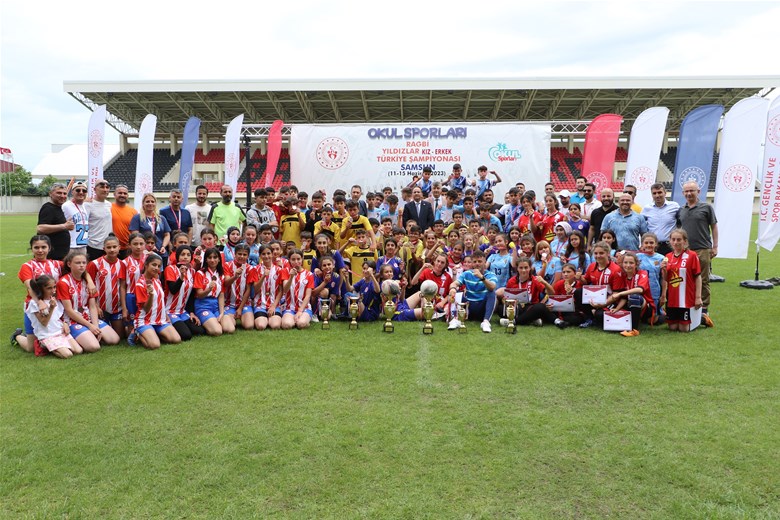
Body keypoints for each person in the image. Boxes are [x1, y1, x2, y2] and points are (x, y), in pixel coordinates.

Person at [57, 251, 120, 351]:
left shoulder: (88, 282)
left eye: (84, 262)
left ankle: (86, 335)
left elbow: (92, 306)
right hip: (72, 320)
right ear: (69, 264)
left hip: (88, 317)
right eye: (78, 263)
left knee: (114, 340)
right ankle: (73, 337)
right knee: (94, 347)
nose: (81, 265)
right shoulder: (63, 282)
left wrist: (95, 326)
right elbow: (69, 310)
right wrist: (90, 326)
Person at [678, 181, 717, 326]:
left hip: (702, 249)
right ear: (683, 193)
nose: (689, 193)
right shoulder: (681, 210)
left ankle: (704, 310)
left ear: (698, 192)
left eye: (692, 191)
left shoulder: (706, 207)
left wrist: (715, 246)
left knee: (703, 279)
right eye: (686, 191)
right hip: (686, 251)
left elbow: (714, 226)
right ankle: (690, 306)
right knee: (687, 279)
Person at [23, 275, 81, 358]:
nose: (53, 290)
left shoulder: (54, 299)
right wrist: (51, 308)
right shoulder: (34, 303)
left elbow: (59, 316)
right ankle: (42, 345)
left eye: (54, 287)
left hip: (59, 331)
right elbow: (44, 322)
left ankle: (52, 347)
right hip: (47, 335)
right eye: (49, 288)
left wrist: (65, 323)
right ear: (41, 289)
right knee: (68, 354)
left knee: (78, 350)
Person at [131, 253, 181, 349]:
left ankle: (154, 333)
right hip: (144, 320)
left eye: (158, 266)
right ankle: (138, 333)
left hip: (160, 320)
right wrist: (151, 295)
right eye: (154, 265)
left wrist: (166, 316)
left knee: (176, 339)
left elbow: (160, 301)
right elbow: (146, 308)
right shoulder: (140, 284)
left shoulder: (157, 281)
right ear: (146, 265)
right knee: (154, 345)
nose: (156, 268)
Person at [661, 228, 703, 333]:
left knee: (683, 329)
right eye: (673, 239)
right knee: (673, 328)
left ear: (685, 241)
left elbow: (698, 277)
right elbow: (666, 279)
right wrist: (663, 270)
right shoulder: (667, 257)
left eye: (679, 239)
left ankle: (702, 319)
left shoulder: (692, 255)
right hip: (672, 298)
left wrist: (698, 297)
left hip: (686, 298)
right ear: (670, 241)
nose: (676, 242)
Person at [576, 241, 626, 328]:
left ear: (608, 253)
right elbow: (586, 282)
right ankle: (589, 318)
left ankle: (597, 315)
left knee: (600, 315)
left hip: (611, 299)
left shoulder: (616, 269)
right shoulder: (592, 266)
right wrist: (580, 278)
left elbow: (616, 294)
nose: (598, 256)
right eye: (596, 253)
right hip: (596, 296)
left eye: (601, 253)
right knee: (578, 292)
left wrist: (603, 304)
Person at [86, 235, 126, 339]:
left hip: (116, 307)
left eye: (114, 247)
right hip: (100, 307)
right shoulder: (95, 264)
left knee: (120, 336)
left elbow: (122, 286)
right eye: (109, 247)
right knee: (104, 337)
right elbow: (88, 286)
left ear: (119, 247)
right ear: (104, 249)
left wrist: (124, 307)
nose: (112, 250)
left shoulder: (122, 264)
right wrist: (96, 305)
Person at [447, 250, 497, 333]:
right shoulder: (467, 274)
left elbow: (492, 287)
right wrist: (453, 288)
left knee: (491, 293)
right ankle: (457, 319)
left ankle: (486, 322)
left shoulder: (490, 275)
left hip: (482, 307)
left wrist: (481, 277)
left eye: (480, 261)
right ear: (472, 263)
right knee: (458, 293)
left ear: (485, 262)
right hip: (469, 306)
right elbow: (454, 283)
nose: (477, 264)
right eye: (475, 262)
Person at [164, 245, 205, 341]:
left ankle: (178, 324)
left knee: (200, 331)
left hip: (182, 311)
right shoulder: (170, 269)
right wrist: (181, 277)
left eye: (188, 255)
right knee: (186, 335)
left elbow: (191, 295)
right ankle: (166, 326)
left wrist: (191, 313)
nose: (185, 257)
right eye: (182, 254)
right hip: (169, 310)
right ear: (177, 256)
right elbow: (173, 290)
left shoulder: (192, 271)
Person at [501, 256, 556, 327]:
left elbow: (552, 293)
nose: (523, 270)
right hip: (517, 306)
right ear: (517, 269)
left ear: (530, 268)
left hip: (531, 307)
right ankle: (531, 320)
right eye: (521, 268)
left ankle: (514, 321)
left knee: (540, 307)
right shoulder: (511, 281)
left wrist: (545, 282)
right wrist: (505, 301)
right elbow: (505, 298)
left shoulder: (535, 280)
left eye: (526, 267)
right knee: (501, 309)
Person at [614, 251, 655, 337]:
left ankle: (633, 330)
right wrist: (617, 309)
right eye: (625, 262)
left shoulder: (642, 273)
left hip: (645, 306)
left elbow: (640, 289)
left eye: (631, 263)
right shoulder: (622, 276)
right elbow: (624, 297)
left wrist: (620, 294)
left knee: (634, 297)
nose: (628, 265)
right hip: (629, 304)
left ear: (636, 264)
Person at [222, 243, 257, 332]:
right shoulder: (227, 265)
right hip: (229, 303)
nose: (242, 256)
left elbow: (248, 289)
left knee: (249, 326)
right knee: (229, 327)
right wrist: (235, 276)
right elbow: (226, 283)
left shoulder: (251, 269)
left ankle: (242, 314)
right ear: (235, 254)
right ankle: (231, 317)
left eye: (244, 254)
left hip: (244, 303)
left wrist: (240, 308)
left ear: (248, 256)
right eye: (239, 254)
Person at [193, 248, 227, 336]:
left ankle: (211, 322)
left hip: (215, 305)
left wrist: (222, 313)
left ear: (219, 259)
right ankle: (206, 323)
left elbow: (221, 295)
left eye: (215, 257)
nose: (212, 260)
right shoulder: (200, 273)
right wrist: (208, 289)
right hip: (203, 305)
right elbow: (199, 295)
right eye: (209, 257)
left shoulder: (221, 275)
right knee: (217, 331)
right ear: (206, 260)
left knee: (229, 328)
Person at [130, 193, 171, 265]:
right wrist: (145, 248)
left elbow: (167, 234)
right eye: (147, 201)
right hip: (144, 252)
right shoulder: (137, 218)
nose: (150, 203)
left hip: (160, 251)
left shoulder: (161, 218)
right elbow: (135, 236)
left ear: (155, 204)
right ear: (143, 203)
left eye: (152, 201)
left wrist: (163, 246)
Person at [641, 183, 680, 256]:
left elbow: (680, 223)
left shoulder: (674, 206)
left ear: (665, 193)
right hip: (653, 246)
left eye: (659, 192)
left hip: (670, 246)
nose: (657, 195)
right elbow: (641, 226)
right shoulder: (646, 209)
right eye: (654, 193)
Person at [36, 182, 72, 260]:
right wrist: (64, 226)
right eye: (59, 193)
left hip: (61, 255)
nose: (62, 196)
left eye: (65, 193)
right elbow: (41, 228)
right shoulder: (48, 208)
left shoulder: (59, 208)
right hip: (52, 257)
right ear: (50, 194)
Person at [280, 249, 314, 329]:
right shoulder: (285, 271)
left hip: (304, 307)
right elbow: (285, 290)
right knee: (286, 325)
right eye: (293, 259)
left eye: (298, 259)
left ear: (302, 259)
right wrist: (291, 277)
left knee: (301, 324)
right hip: (289, 307)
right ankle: (294, 319)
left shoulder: (309, 274)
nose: (296, 262)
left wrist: (300, 311)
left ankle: (304, 318)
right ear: (289, 260)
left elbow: (308, 296)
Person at [253, 245, 284, 330]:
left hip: (274, 304)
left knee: (275, 326)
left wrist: (273, 306)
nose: (266, 256)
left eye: (268, 253)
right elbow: (255, 289)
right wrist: (263, 276)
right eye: (263, 254)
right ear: (260, 255)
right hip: (260, 304)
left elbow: (281, 291)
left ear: (272, 254)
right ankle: (263, 318)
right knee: (261, 326)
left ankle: (270, 318)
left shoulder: (279, 270)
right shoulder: (255, 269)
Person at [85, 179, 113, 260]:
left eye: (107, 187)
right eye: (102, 187)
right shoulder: (87, 204)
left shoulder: (109, 204)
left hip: (107, 246)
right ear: (94, 189)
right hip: (93, 246)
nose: (105, 189)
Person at [110, 184, 138, 259]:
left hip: (127, 249)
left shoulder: (133, 212)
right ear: (114, 194)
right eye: (120, 193)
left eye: (125, 193)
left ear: (128, 196)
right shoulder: (108, 208)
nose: (122, 195)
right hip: (112, 248)